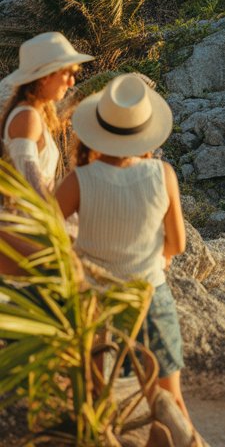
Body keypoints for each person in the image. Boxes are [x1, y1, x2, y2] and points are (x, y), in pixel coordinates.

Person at [54, 73, 189, 422]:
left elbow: (47, 229)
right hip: (149, 294)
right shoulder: (163, 174)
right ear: (145, 131)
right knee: (169, 401)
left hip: (95, 302)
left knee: (97, 397)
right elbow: (177, 243)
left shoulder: (79, 180)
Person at [0, 32, 93, 198]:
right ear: (45, 77)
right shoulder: (26, 117)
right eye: (67, 73)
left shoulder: (32, 113)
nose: (72, 82)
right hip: (31, 221)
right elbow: (29, 186)